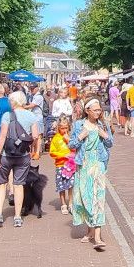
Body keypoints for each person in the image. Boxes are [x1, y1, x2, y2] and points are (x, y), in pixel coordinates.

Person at [0, 91, 39, 228]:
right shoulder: (31, 115)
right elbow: (35, 136)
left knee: (1, 184)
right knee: (18, 185)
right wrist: (32, 149)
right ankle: (17, 217)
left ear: (13, 102)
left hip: (6, 154)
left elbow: (2, 136)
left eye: (10, 101)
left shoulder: (7, 115)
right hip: (23, 155)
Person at [69, 98, 113, 250]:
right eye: (95, 110)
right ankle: (90, 231)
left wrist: (105, 135)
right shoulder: (78, 125)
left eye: (99, 110)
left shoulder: (102, 125)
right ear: (87, 111)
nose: (98, 112)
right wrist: (80, 136)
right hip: (84, 165)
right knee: (85, 197)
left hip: (98, 164)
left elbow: (110, 143)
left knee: (98, 197)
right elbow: (72, 144)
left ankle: (98, 237)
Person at [49, 115, 75, 214]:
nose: (64, 130)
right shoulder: (56, 138)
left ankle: (71, 203)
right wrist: (64, 155)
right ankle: (63, 203)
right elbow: (52, 152)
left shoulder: (71, 137)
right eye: (62, 128)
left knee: (71, 184)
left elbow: (75, 149)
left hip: (70, 165)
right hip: (60, 165)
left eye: (66, 128)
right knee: (61, 185)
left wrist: (68, 140)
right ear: (58, 128)